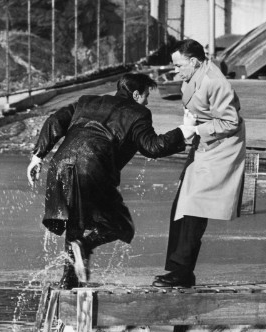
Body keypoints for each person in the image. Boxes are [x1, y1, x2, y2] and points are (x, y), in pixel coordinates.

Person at [27, 73, 194, 289]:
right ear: (136, 94)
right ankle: (85, 246)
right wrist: (183, 131)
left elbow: (54, 120)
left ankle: (68, 281)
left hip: (59, 167)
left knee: (75, 224)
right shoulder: (138, 113)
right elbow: (153, 147)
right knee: (122, 226)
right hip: (92, 168)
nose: (146, 102)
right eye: (145, 97)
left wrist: (38, 156)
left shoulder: (87, 101)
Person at [152, 39, 247, 288]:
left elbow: (230, 122)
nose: (176, 71)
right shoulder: (195, 74)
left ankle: (181, 271)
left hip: (220, 147)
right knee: (180, 206)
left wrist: (196, 129)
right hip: (204, 145)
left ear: (193, 61)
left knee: (194, 208)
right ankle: (177, 269)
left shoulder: (214, 81)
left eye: (178, 66)